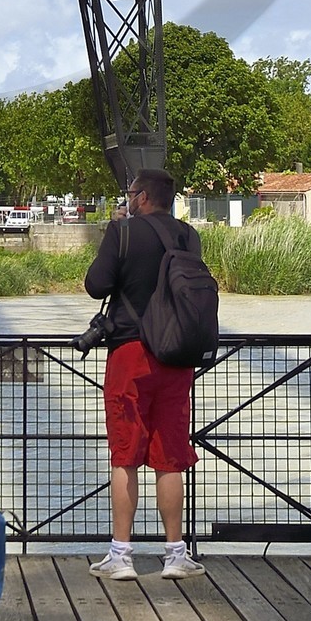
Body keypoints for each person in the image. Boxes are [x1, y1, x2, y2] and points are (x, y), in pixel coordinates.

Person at [83, 169, 202, 581]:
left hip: (131, 353)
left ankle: (121, 555)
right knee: (170, 457)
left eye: (130, 193)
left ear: (144, 197)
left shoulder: (125, 233)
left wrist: (112, 236)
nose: (128, 199)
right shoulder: (189, 236)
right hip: (176, 355)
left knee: (125, 454)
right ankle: (175, 554)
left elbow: (96, 286)